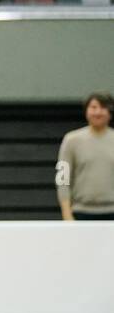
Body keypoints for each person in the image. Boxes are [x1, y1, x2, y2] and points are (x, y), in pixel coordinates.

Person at [57, 92, 114, 221]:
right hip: (80, 212)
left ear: (110, 112)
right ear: (86, 111)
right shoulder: (71, 140)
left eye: (103, 108)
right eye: (93, 107)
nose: (98, 112)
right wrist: (67, 215)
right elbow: (62, 179)